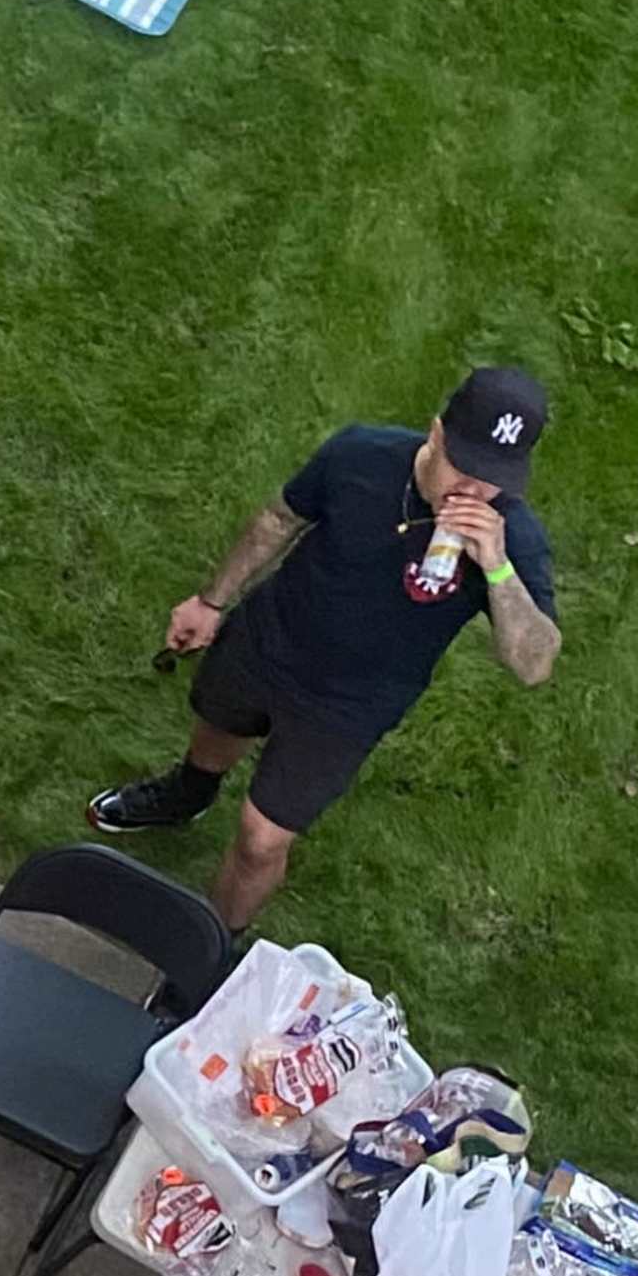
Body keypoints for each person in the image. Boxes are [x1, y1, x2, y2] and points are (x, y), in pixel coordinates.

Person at [88, 366, 559, 935]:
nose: (475, 492)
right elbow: (280, 518)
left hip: (348, 706)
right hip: (270, 638)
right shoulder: (361, 454)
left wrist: (498, 568)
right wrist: (210, 603)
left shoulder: (513, 538)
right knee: (216, 723)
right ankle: (189, 794)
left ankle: (203, 952)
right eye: (465, 465)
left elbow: (534, 664)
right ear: (435, 434)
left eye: (495, 479)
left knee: (261, 841)